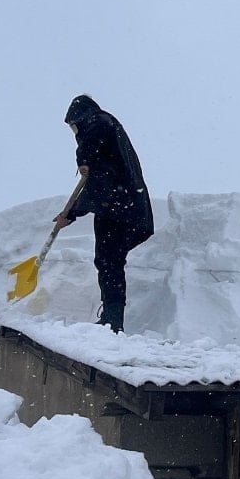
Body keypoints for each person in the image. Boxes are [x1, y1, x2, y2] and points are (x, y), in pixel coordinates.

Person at [54, 95, 154, 333]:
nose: (74, 133)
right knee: (110, 261)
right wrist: (71, 214)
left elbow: (99, 186)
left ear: (81, 119)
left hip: (119, 211)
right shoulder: (110, 142)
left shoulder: (99, 123)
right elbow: (98, 185)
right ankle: (112, 317)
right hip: (130, 211)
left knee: (109, 262)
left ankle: (112, 320)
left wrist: (71, 213)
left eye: (74, 126)